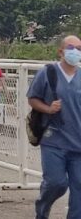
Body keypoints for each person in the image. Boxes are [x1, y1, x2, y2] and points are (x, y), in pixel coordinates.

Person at [28, 35, 81, 219]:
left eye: (79, 49)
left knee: (79, 188)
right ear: (61, 51)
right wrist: (48, 109)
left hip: (78, 144)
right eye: (71, 48)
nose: (75, 52)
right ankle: (42, 210)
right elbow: (32, 98)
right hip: (54, 140)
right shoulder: (48, 72)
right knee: (56, 183)